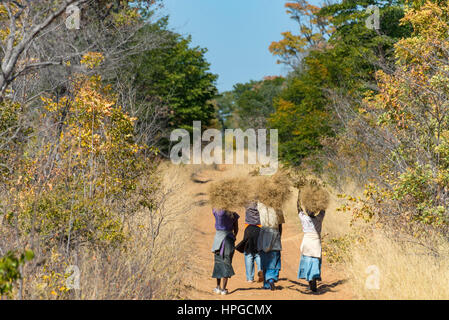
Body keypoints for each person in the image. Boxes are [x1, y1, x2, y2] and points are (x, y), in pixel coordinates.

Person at [297, 192, 327, 293]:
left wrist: (299, 194)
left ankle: (310, 280)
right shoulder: (319, 218)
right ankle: (314, 277)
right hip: (316, 242)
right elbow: (323, 209)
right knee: (315, 260)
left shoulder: (304, 218)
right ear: (315, 210)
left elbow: (298, 209)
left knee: (307, 259)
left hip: (306, 241)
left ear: (307, 210)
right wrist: (323, 198)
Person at [257, 201, 285, 290]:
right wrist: (279, 236)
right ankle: (271, 278)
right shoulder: (278, 208)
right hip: (275, 232)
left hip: (264, 233)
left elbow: (258, 200)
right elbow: (280, 225)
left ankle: (266, 284)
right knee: (275, 258)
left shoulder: (261, 207)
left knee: (264, 258)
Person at [211, 208, 239, 295]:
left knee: (218, 262)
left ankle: (218, 287)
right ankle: (224, 289)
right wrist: (233, 236)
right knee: (227, 262)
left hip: (218, 239)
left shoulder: (217, 211)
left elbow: (213, 207)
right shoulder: (233, 213)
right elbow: (236, 228)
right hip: (229, 239)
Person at [238, 201, 263, 283]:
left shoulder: (247, 203)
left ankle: (249, 278)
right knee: (258, 252)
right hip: (260, 229)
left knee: (248, 253)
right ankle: (261, 270)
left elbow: (240, 201)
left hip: (248, 229)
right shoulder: (261, 204)